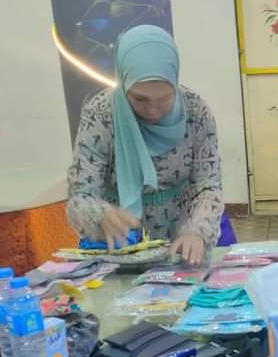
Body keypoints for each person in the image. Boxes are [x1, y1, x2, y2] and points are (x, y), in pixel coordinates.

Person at [67, 25, 222, 265]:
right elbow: (80, 194)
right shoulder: (101, 115)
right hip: (118, 246)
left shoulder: (195, 111)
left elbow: (208, 186)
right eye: (140, 99)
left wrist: (197, 230)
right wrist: (99, 215)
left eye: (165, 98)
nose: (153, 110)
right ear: (123, 83)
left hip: (182, 243)